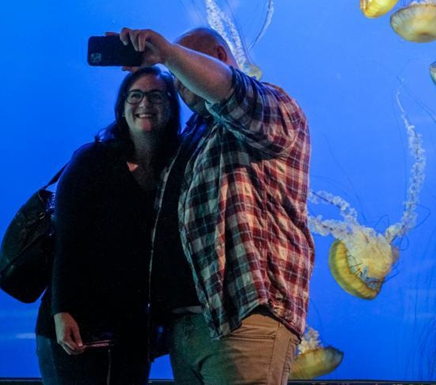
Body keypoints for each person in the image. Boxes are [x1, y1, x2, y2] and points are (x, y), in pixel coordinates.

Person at [119, 26, 314, 385]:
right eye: (175, 77)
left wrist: (169, 54)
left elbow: (232, 92)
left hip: (244, 318)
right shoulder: (193, 133)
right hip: (188, 327)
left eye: (183, 71)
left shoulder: (274, 107)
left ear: (219, 57)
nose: (178, 83)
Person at [36, 66, 181, 384]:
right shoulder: (91, 161)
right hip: (75, 322)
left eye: (157, 95)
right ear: (121, 106)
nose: (146, 102)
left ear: (171, 105)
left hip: (130, 329)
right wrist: (61, 311)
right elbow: (67, 241)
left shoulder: (176, 170)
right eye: (136, 95)